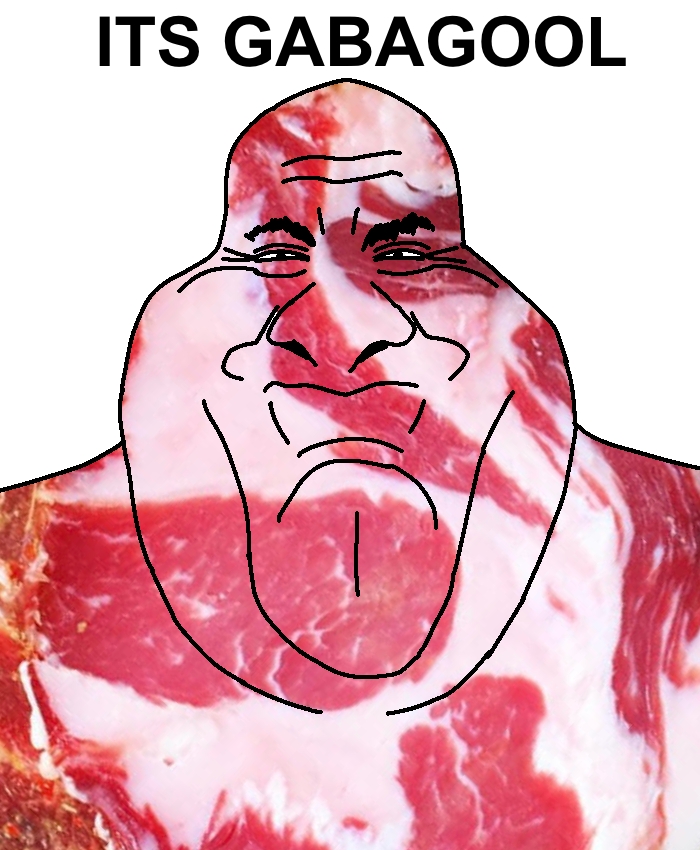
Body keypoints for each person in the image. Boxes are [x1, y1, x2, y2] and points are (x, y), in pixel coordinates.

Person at [1, 80, 698, 848]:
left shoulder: (656, 559)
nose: (341, 334)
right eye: (273, 251)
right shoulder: (45, 579)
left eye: (403, 253)